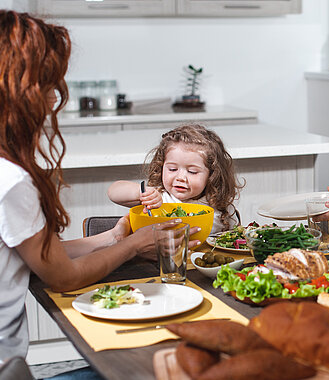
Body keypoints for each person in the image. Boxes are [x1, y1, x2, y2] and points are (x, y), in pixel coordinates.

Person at [0, 10, 195, 372]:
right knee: (147, 368)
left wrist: (111, 237)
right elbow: (62, 277)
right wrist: (135, 244)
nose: (54, 98)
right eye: (49, 84)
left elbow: (39, 256)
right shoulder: (10, 181)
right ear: (20, 90)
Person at [108, 124, 243, 234]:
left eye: (192, 171)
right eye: (172, 169)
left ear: (212, 175)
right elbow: (114, 192)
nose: (181, 178)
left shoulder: (220, 207)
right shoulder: (159, 199)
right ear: (162, 166)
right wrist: (140, 192)